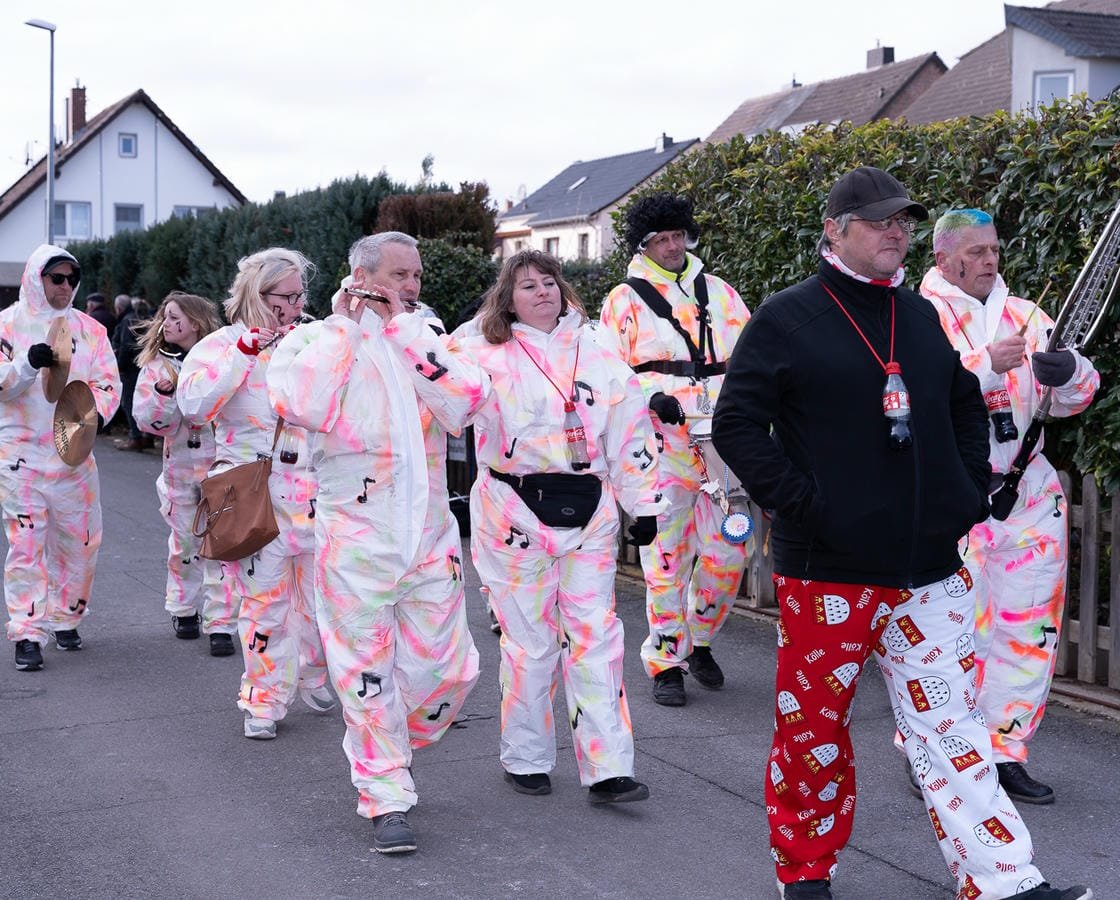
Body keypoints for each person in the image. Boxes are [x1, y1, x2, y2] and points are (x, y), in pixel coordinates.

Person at [712, 167, 1090, 900]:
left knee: (954, 731)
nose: (894, 232)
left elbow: (964, 403)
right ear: (835, 230)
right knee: (813, 730)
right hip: (829, 569)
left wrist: (964, 494)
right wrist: (806, 505)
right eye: (879, 220)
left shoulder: (916, 316)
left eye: (902, 222)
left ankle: (1004, 880)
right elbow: (736, 425)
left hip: (930, 567)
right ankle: (806, 872)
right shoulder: (788, 318)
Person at [267, 231, 484, 855]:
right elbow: (302, 405)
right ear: (361, 276)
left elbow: (466, 403)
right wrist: (345, 329)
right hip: (355, 539)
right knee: (364, 674)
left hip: (430, 537)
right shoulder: (315, 339)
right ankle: (385, 794)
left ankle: (392, 744)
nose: (411, 286)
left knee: (450, 670)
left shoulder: (425, 336)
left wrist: (406, 332)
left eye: (416, 275)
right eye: (399, 275)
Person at [456, 249, 664, 804]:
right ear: (507, 298)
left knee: (596, 637)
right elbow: (439, 399)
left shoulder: (596, 348)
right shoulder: (478, 350)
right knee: (530, 642)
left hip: (589, 506)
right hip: (512, 508)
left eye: (549, 281)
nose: (542, 292)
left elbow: (629, 427)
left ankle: (608, 768)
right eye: (527, 285)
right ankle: (525, 756)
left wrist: (644, 504)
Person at [918, 208, 1099, 804]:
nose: (989, 260)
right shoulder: (916, 317)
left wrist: (1069, 375)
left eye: (994, 249)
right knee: (949, 632)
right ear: (944, 259)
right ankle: (932, 751)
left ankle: (1004, 751)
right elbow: (904, 396)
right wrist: (980, 366)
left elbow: (1074, 396)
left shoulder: (1027, 315)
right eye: (975, 251)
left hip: (1028, 491)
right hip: (951, 494)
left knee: (1028, 630)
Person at [598, 193, 751, 707]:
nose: (671, 246)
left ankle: (699, 638)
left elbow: (753, 357)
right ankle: (666, 660)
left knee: (731, 550)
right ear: (643, 245)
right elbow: (608, 374)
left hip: (721, 443)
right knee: (666, 559)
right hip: (661, 447)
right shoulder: (623, 300)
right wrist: (650, 397)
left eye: (677, 236)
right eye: (660, 239)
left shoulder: (722, 293)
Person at [177, 248, 333, 740]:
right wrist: (243, 354)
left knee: (322, 600)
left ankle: (311, 671)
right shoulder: (221, 345)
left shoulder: (314, 339)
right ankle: (263, 699)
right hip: (252, 493)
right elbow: (195, 406)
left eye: (301, 295)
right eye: (288, 296)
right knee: (265, 603)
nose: (297, 305)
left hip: (317, 490)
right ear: (258, 295)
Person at [0, 245, 121, 671]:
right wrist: (24, 366)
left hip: (74, 459)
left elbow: (108, 384)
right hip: (20, 458)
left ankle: (66, 617)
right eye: (57, 278)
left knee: (80, 544)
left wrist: (92, 417)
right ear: (37, 278)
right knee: (26, 545)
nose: (66, 286)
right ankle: (27, 631)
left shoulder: (91, 331)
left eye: (73, 278)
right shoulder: (4, 325)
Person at [132, 291, 240, 657]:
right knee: (185, 546)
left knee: (222, 547)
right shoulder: (156, 367)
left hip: (222, 467)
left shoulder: (221, 357)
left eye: (175, 317)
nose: (167, 324)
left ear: (195, 321)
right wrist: (165, 397)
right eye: (165, 317)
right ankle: (183, 608)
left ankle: (221, 623)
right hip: (180, 471)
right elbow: (149, 423)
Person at [113, 297, 153, 451]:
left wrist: (119, 366)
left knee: (129, 402)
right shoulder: (146, 319)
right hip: (144, 365)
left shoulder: (127, 321)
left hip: (130, 368)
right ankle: (148, 436)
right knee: (145, 402)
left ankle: (136, 437)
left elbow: (125, 346)